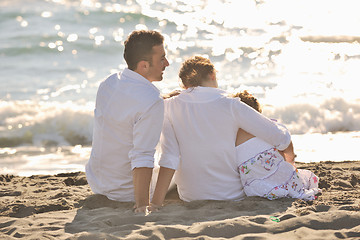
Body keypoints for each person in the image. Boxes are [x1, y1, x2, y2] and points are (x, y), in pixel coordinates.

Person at [150, 56, 291, 210]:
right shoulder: (231, 105)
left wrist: (156, 203)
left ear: (184, 85)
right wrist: (279, 127)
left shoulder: (168, 107)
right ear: (212, 75)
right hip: (230, 195)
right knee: (255, 132)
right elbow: (280, 138)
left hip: (190, 196)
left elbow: (169, 157)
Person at [85, 30, 169, 213]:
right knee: (180, 154)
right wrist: (141, 206)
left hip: (98, 183)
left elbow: (130, 108)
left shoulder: (108, 83)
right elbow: (142, 155)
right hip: (126, 191)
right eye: (162, 59)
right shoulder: (152, 100)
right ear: (144, 66)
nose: (167, 64)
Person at [234, 91, 320, 200]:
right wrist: (290, 163)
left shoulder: (232, 133)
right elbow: (286, 142)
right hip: (276, 173)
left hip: (255, 186)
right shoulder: (265, 126)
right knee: (278, 149)